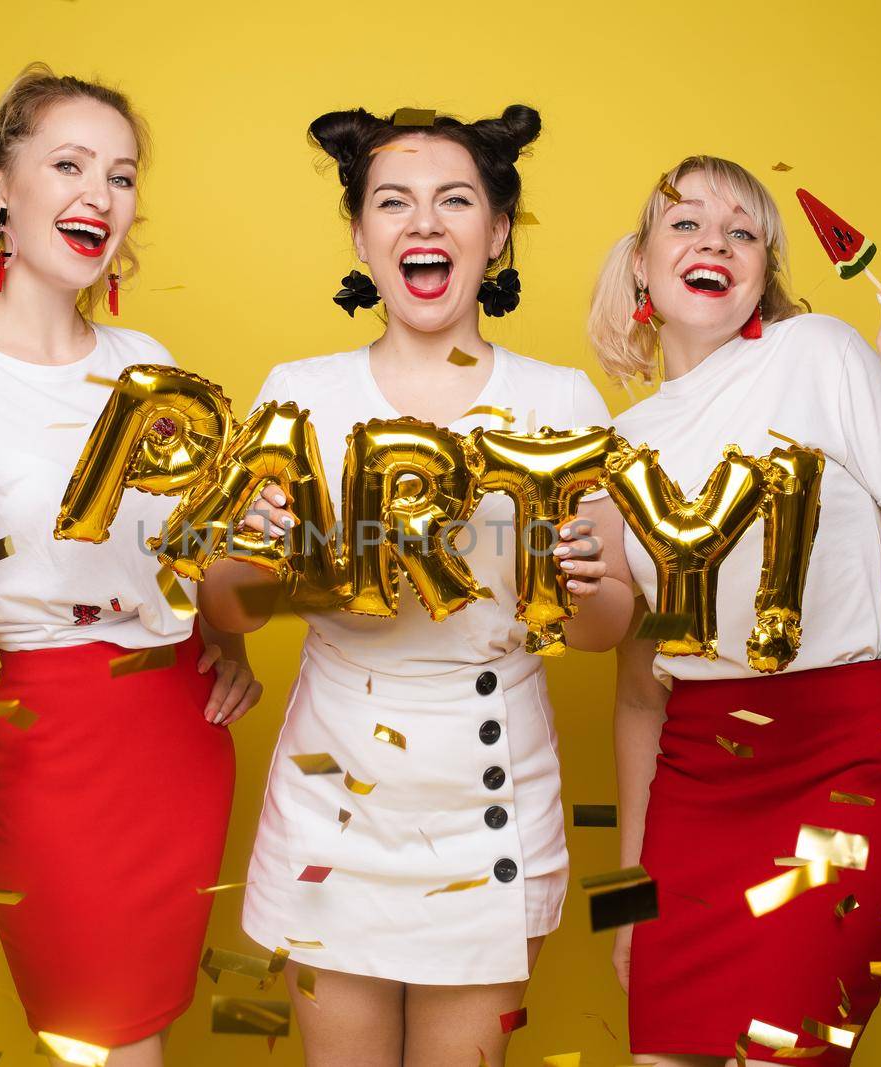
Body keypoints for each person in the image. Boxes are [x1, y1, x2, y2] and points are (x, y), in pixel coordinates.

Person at [199, 104, 632, 1067]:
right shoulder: (298, 393)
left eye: (454, 200)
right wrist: (250, 557)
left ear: (498, 231)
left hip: (490, 795)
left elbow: (606, 631)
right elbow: (226, 608)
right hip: (333, 793)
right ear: (361, 233)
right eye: (393, 201)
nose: (423, 223)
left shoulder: (561, 400)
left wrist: (593, 577)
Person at [0, 63, 260, 1066]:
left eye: (121, 176)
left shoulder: (148, 362)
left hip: (176, 738)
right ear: (1, 185)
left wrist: (223, 629)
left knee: (145, 1038)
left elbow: (186, 563)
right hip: (58, 743)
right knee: (105, 1040)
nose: (99, 194)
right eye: (69, 163)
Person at [589, 156, 881, 1065]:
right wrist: (628, 900)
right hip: (693, 800)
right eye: (687, 224)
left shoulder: (817, 352)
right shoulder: (620, 449)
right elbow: (636, 696)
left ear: (762, 272)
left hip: (840, 774)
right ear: (641, 269)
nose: (716, 242)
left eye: (743, 231)